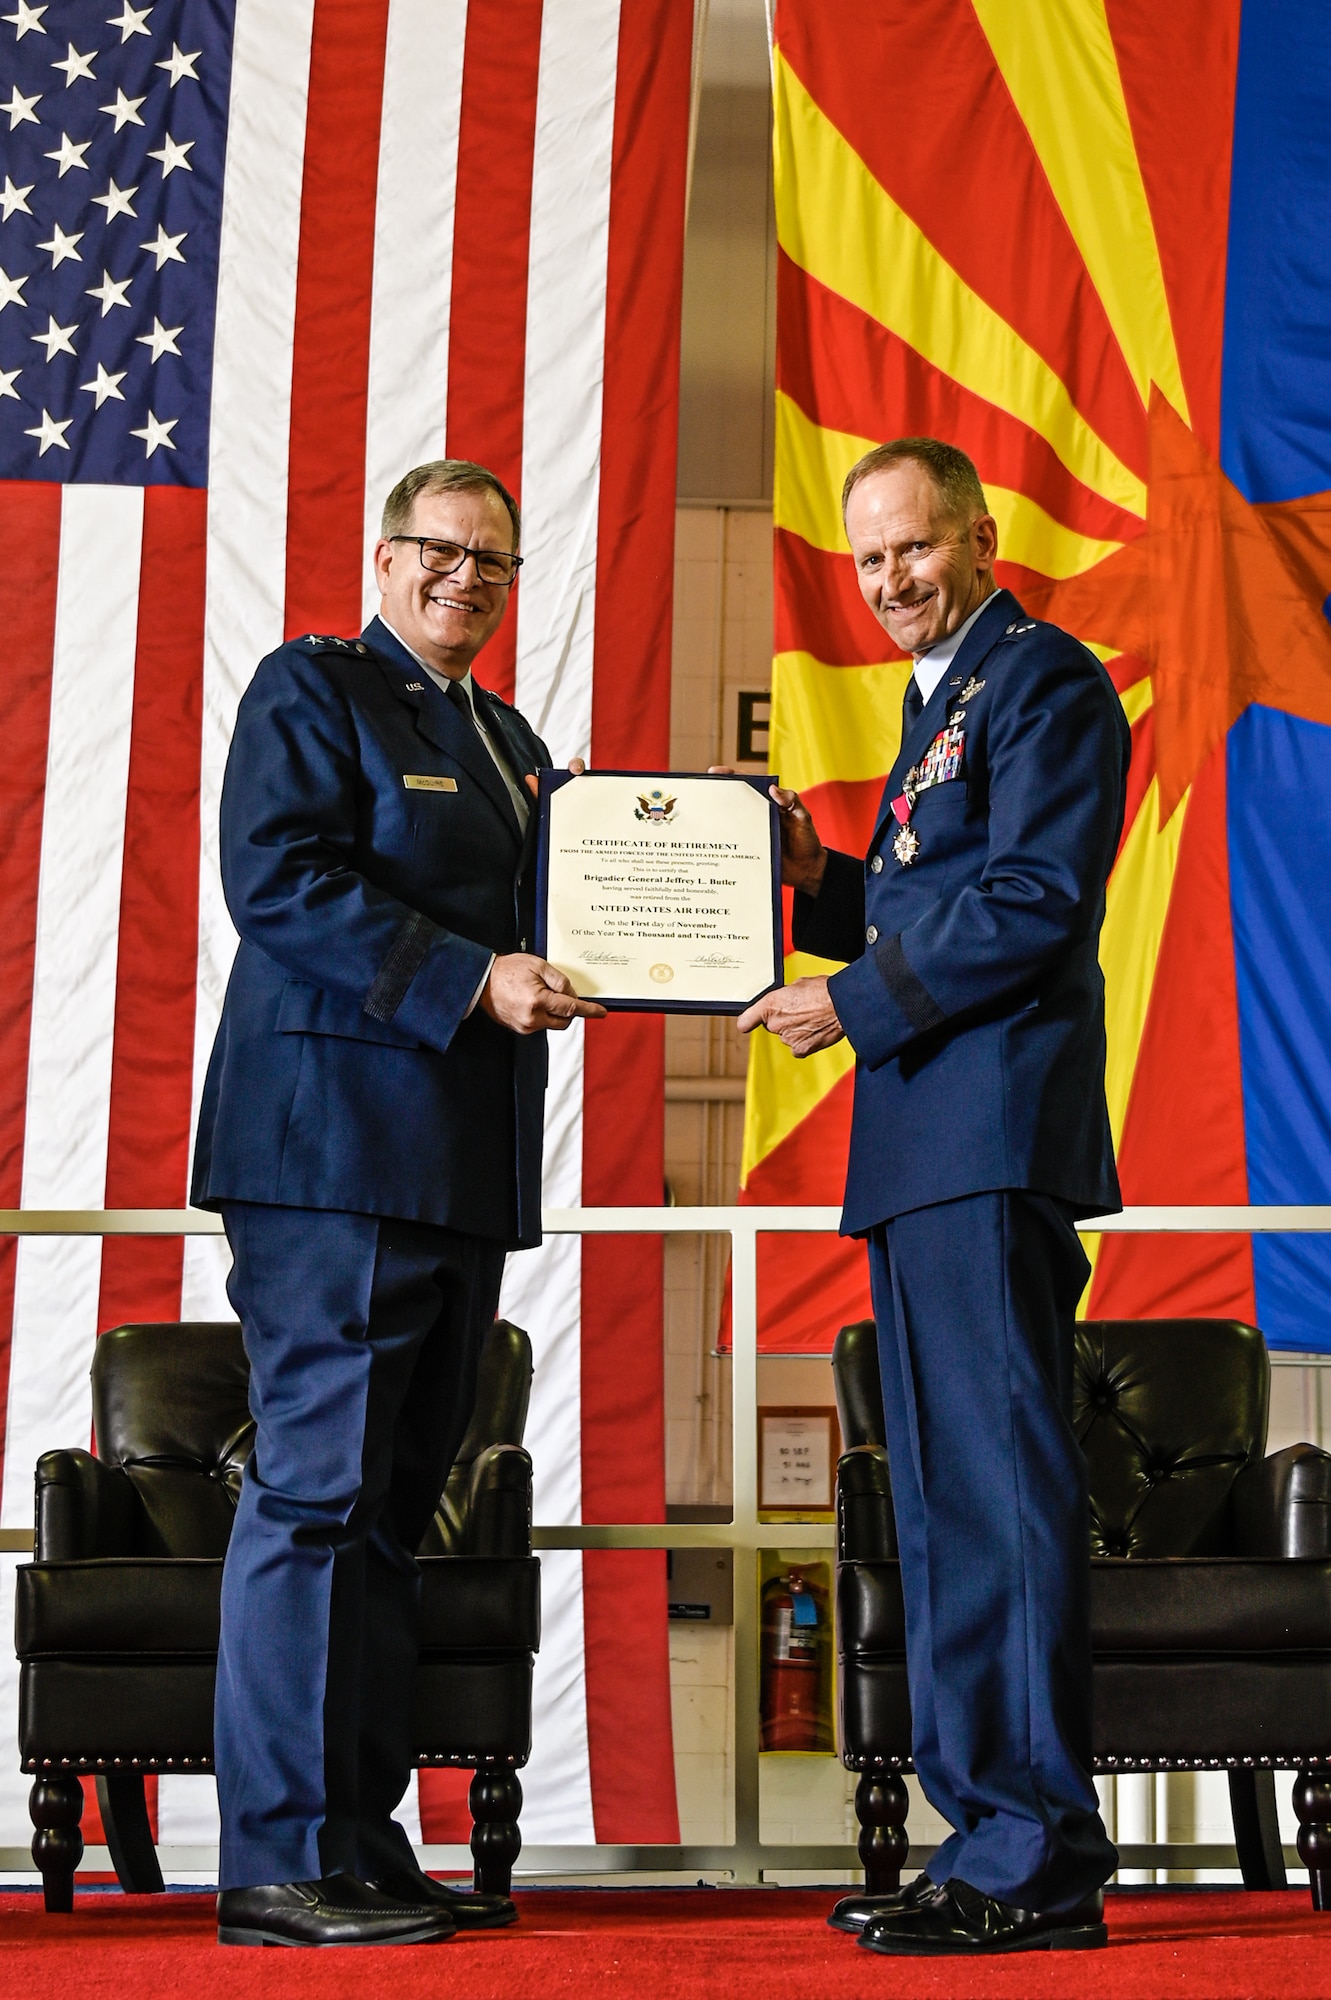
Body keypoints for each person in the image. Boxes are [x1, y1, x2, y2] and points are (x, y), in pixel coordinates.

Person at [191, 459, 603, 1948]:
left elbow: (576, 900)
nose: (465, 579)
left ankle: (356, 1849)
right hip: (330, 1160)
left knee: (383, 1518)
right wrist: (468, 976)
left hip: (448, 1172)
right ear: (384, 557)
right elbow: (277, 879)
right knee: (315, 1500)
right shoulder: (315, 690)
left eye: (491, 560)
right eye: (440, 550)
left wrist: (712, 859)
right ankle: (279, 1865)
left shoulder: (507, 739)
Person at [738, 438, 1129, 1957]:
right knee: (951, 1506)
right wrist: (804, 871)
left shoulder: (1043, 680)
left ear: (977, 536)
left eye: (915, 548)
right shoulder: (944, 700)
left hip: (986, 1133)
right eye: (870, 560)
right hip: (924, 1148)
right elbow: (926, 892)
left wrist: (855, 1003)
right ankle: (987, 1836)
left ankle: (1036, 1854)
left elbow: (1034, 900)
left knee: (1001, 1498)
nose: (892, 581)